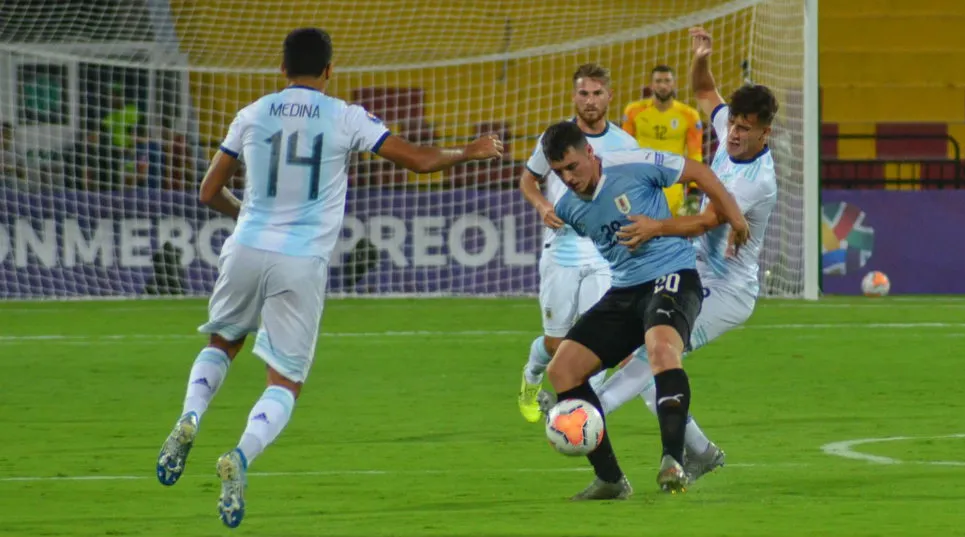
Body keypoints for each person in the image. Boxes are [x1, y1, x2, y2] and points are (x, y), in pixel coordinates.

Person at [154, 27, 503, 528]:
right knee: (285, 381)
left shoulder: (251, 114)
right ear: (330, 70)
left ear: (281, 68)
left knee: (223, 340)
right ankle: (240, 455)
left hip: (247, 246)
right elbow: (421, 162)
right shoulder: (345, 117)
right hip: (300, 260)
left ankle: (189, 418)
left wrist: (248, 218)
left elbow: (209, 191)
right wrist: (468, 151)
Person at [592, 25, 780, 484]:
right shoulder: (727, 130)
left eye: (744, 129)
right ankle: (700, 452)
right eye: (732, 123)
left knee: (654, 353)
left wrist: (656, 227)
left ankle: (586, 408)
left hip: (728, 291)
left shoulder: (755, 181)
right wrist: (700, 56)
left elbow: (704, 222)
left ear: (764, 133)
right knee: (656, 358)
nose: (733, 133)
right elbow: (702, 89)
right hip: (693, 272)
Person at [540, 120, 748, 499]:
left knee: (661, 350)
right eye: (558, 172)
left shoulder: (633, 164)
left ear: (590, 152)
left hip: (672, 276)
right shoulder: (569, 208)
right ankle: (610, 479)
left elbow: (698, 172)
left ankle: (673, 459)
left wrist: (733, 216)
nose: (568, 178)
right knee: (562, 371)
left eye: (572, 166)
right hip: (624, 291)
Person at [516, 63, 638, 423]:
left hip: (604, 256)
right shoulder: (555, 137)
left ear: (609, 96)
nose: (590, 101)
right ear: (574, 96)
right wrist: (542, 205)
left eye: (597, 93)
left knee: (597, 343)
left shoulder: (625, 144)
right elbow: (528, 180)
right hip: (561, 252)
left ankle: (581, 415)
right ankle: (531, 376)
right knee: (556, 344)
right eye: (583, 93)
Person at [622, 65, 704, 217]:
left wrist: (694, 192)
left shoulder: (689, 115)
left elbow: (695, 154)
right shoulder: (633, 111)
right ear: (651, 85)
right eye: (658, 81)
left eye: (667, 81)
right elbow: (625, 151)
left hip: (672, 183)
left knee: (669, 233)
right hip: (640, 183)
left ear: (674, 84)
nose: (663, 85)